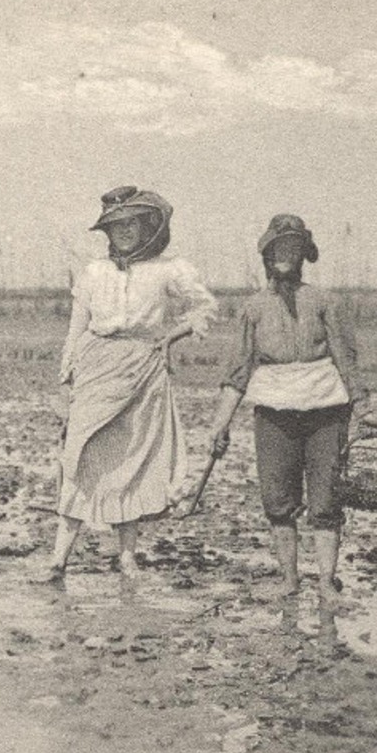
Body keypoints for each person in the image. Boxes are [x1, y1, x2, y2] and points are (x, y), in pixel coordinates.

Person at [43, 186, 218, 583]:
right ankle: (57, 561)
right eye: (115, 226)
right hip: (95, 368)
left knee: (132, 462)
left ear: (146, 227)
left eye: (131, 224)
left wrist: (173, 334)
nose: (123, 232)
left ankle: (127, 557)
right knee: (78, 456)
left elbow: (206, 305)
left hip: (143, 370)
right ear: (106, 231)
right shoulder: (93, 272)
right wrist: (64, 382)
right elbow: (76, 329)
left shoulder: (168, 269)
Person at [205, 214, 367, 604]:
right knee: (278, 500)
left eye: (293, 249)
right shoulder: (253, 309)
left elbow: (347, 361)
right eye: (278, 249)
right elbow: (238, 371)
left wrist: (360, 412)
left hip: (326, 411)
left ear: (303, 256)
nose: (285, 256)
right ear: (267, 255)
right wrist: (219, 425)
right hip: (274, 415)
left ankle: (326, 581)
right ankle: (290, 580)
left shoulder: (325, 301)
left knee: (326, 499)